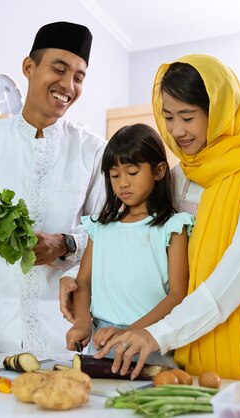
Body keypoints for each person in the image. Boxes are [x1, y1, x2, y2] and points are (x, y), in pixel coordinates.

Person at [61, 54, 240, 380]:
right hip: (190, 341)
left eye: (188, 117)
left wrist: (158, 332)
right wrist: (77, 277)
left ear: (218, 112)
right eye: (169, 117)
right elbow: (131, 235)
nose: (176, 131)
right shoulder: (178, 176)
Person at [0, 21, 107, 359]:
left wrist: (65, 243)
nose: (68, 85)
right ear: (29, 67)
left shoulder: (94, 151)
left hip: (58, 337)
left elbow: (105, 234)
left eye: (78, 76)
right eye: (59, 69)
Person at [65, 124, 194, 367]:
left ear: (158, 171)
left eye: (132, 173)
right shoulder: (100, 226)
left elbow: (178, 295)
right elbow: (83, 281)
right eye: (115, 175)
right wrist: (82, 322)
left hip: (151, 339)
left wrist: (131, 333)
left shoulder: (173, 227)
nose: (122, 183)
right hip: (102, 340)